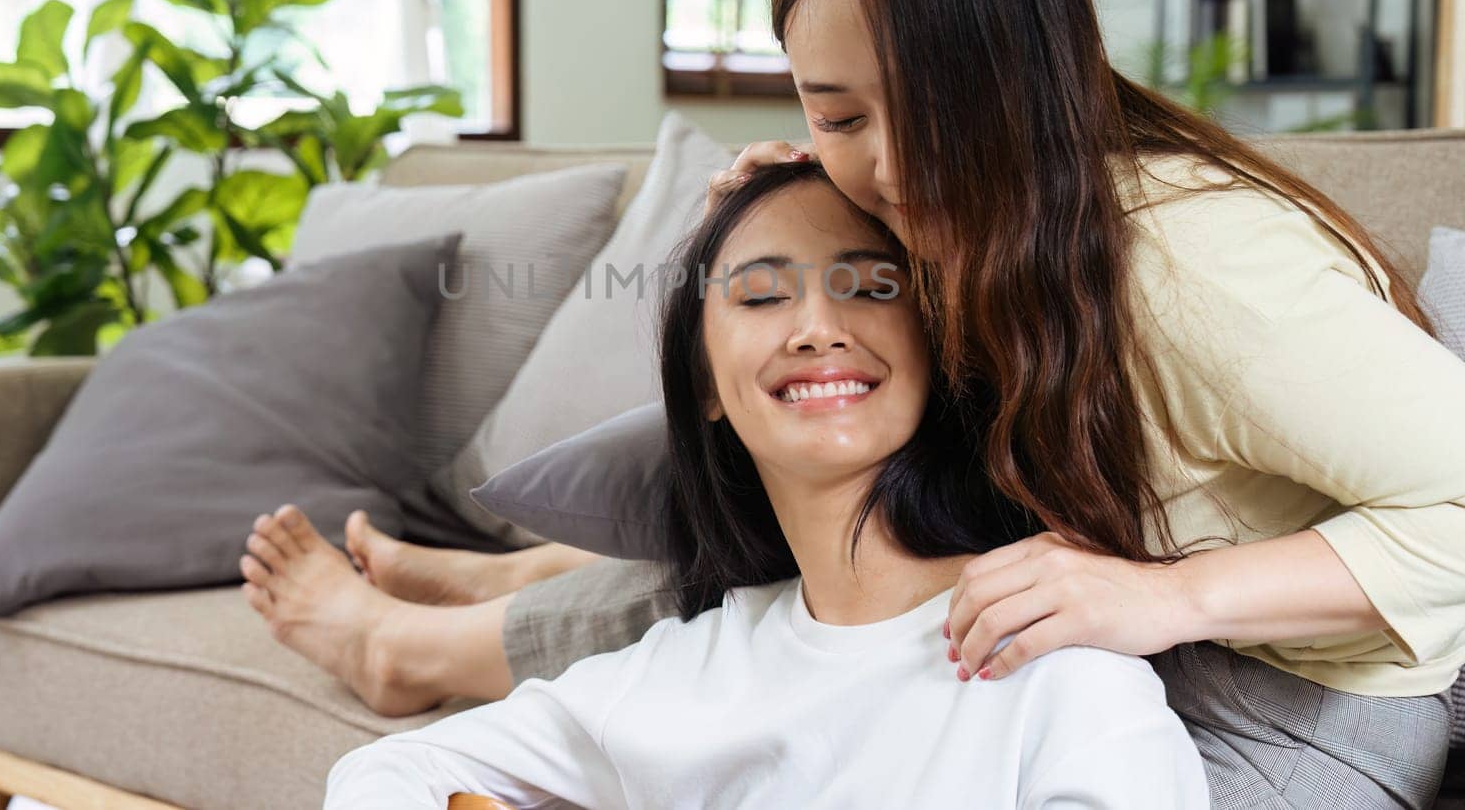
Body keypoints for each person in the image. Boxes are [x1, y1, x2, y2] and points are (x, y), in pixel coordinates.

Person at [244, 0, 1465, 808]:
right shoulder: (973, 211)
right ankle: (496, 590)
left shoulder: (1192, 267)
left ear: (1024, 64)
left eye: (927, 105)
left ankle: (426, 642)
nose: (897, 167)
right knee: (812, 532)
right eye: (839, 111)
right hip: (1130, 584)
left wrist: (1170, 598)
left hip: (1323, 680)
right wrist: (799, 210)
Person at [319, 161, 1210, 809]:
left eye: (867, 287)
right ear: (705, 382)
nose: (819, 326)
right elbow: (380, 776)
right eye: (760, 296)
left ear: (934, 349)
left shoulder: (1055, 662)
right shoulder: (680, 671)